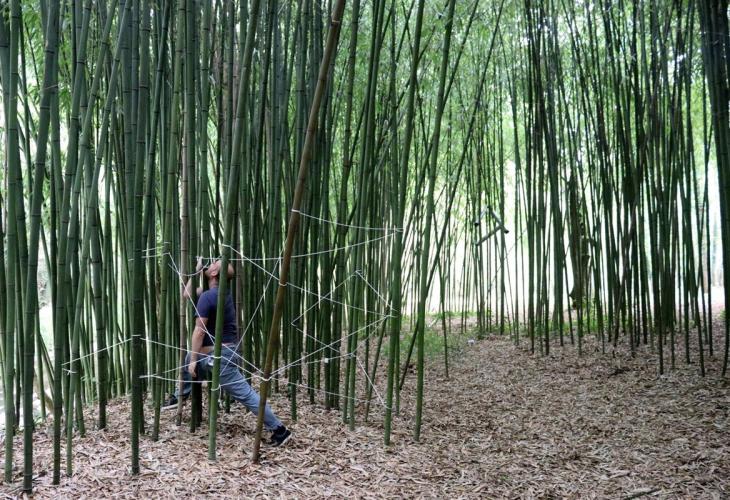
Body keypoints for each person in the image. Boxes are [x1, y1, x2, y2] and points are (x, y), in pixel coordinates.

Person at [163, 257, 292, 447]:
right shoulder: (217, 294)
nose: (211, 262)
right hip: (220, 354)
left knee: (245, 395)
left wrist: (194, 360)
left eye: (214, 263)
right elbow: (187, 294)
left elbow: (199, 331)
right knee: (188, 358)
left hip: (220, 358)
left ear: (214, 273)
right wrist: (197, 270)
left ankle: (280, 430)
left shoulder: (209, 297)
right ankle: (180, 395)